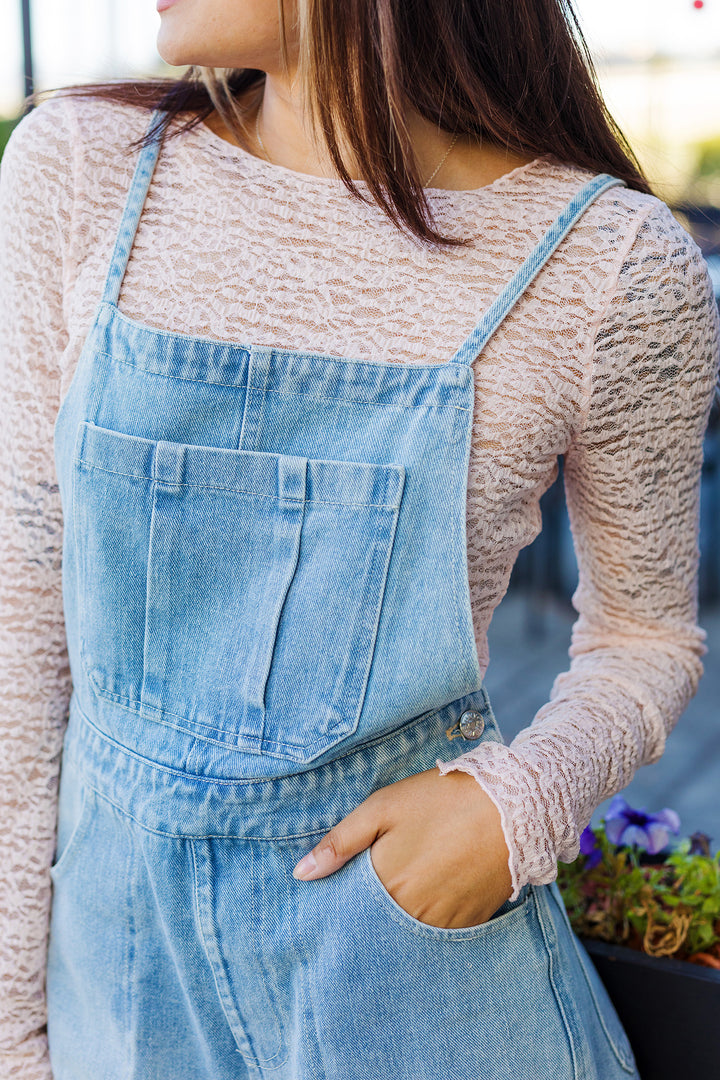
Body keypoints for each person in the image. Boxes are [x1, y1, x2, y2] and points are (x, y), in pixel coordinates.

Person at [1, 0, 718, 1076]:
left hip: (413, 980)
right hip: (119, 982)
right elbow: (21, 602)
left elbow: (647, 637)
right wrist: (15, 1030)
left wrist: (514, 809)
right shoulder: (81, 167)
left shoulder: (612, 266)